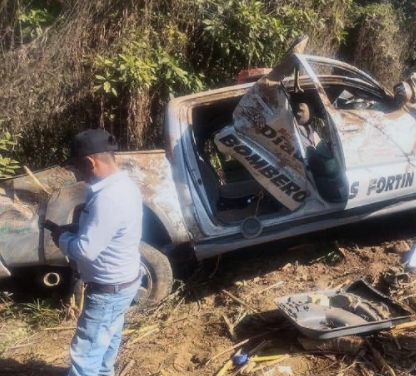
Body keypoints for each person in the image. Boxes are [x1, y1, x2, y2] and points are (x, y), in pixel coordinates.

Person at [51, 128, 143, 376]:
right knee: (107, 341)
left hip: (107, 291)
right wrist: (78, 228)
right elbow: (108, 231)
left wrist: (62, 238)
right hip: (123, 283)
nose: (77, 173)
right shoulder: (124, 186)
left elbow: (86, 250)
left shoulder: (108, 198)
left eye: (77, 167)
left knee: (85, 355)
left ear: (90, 162)